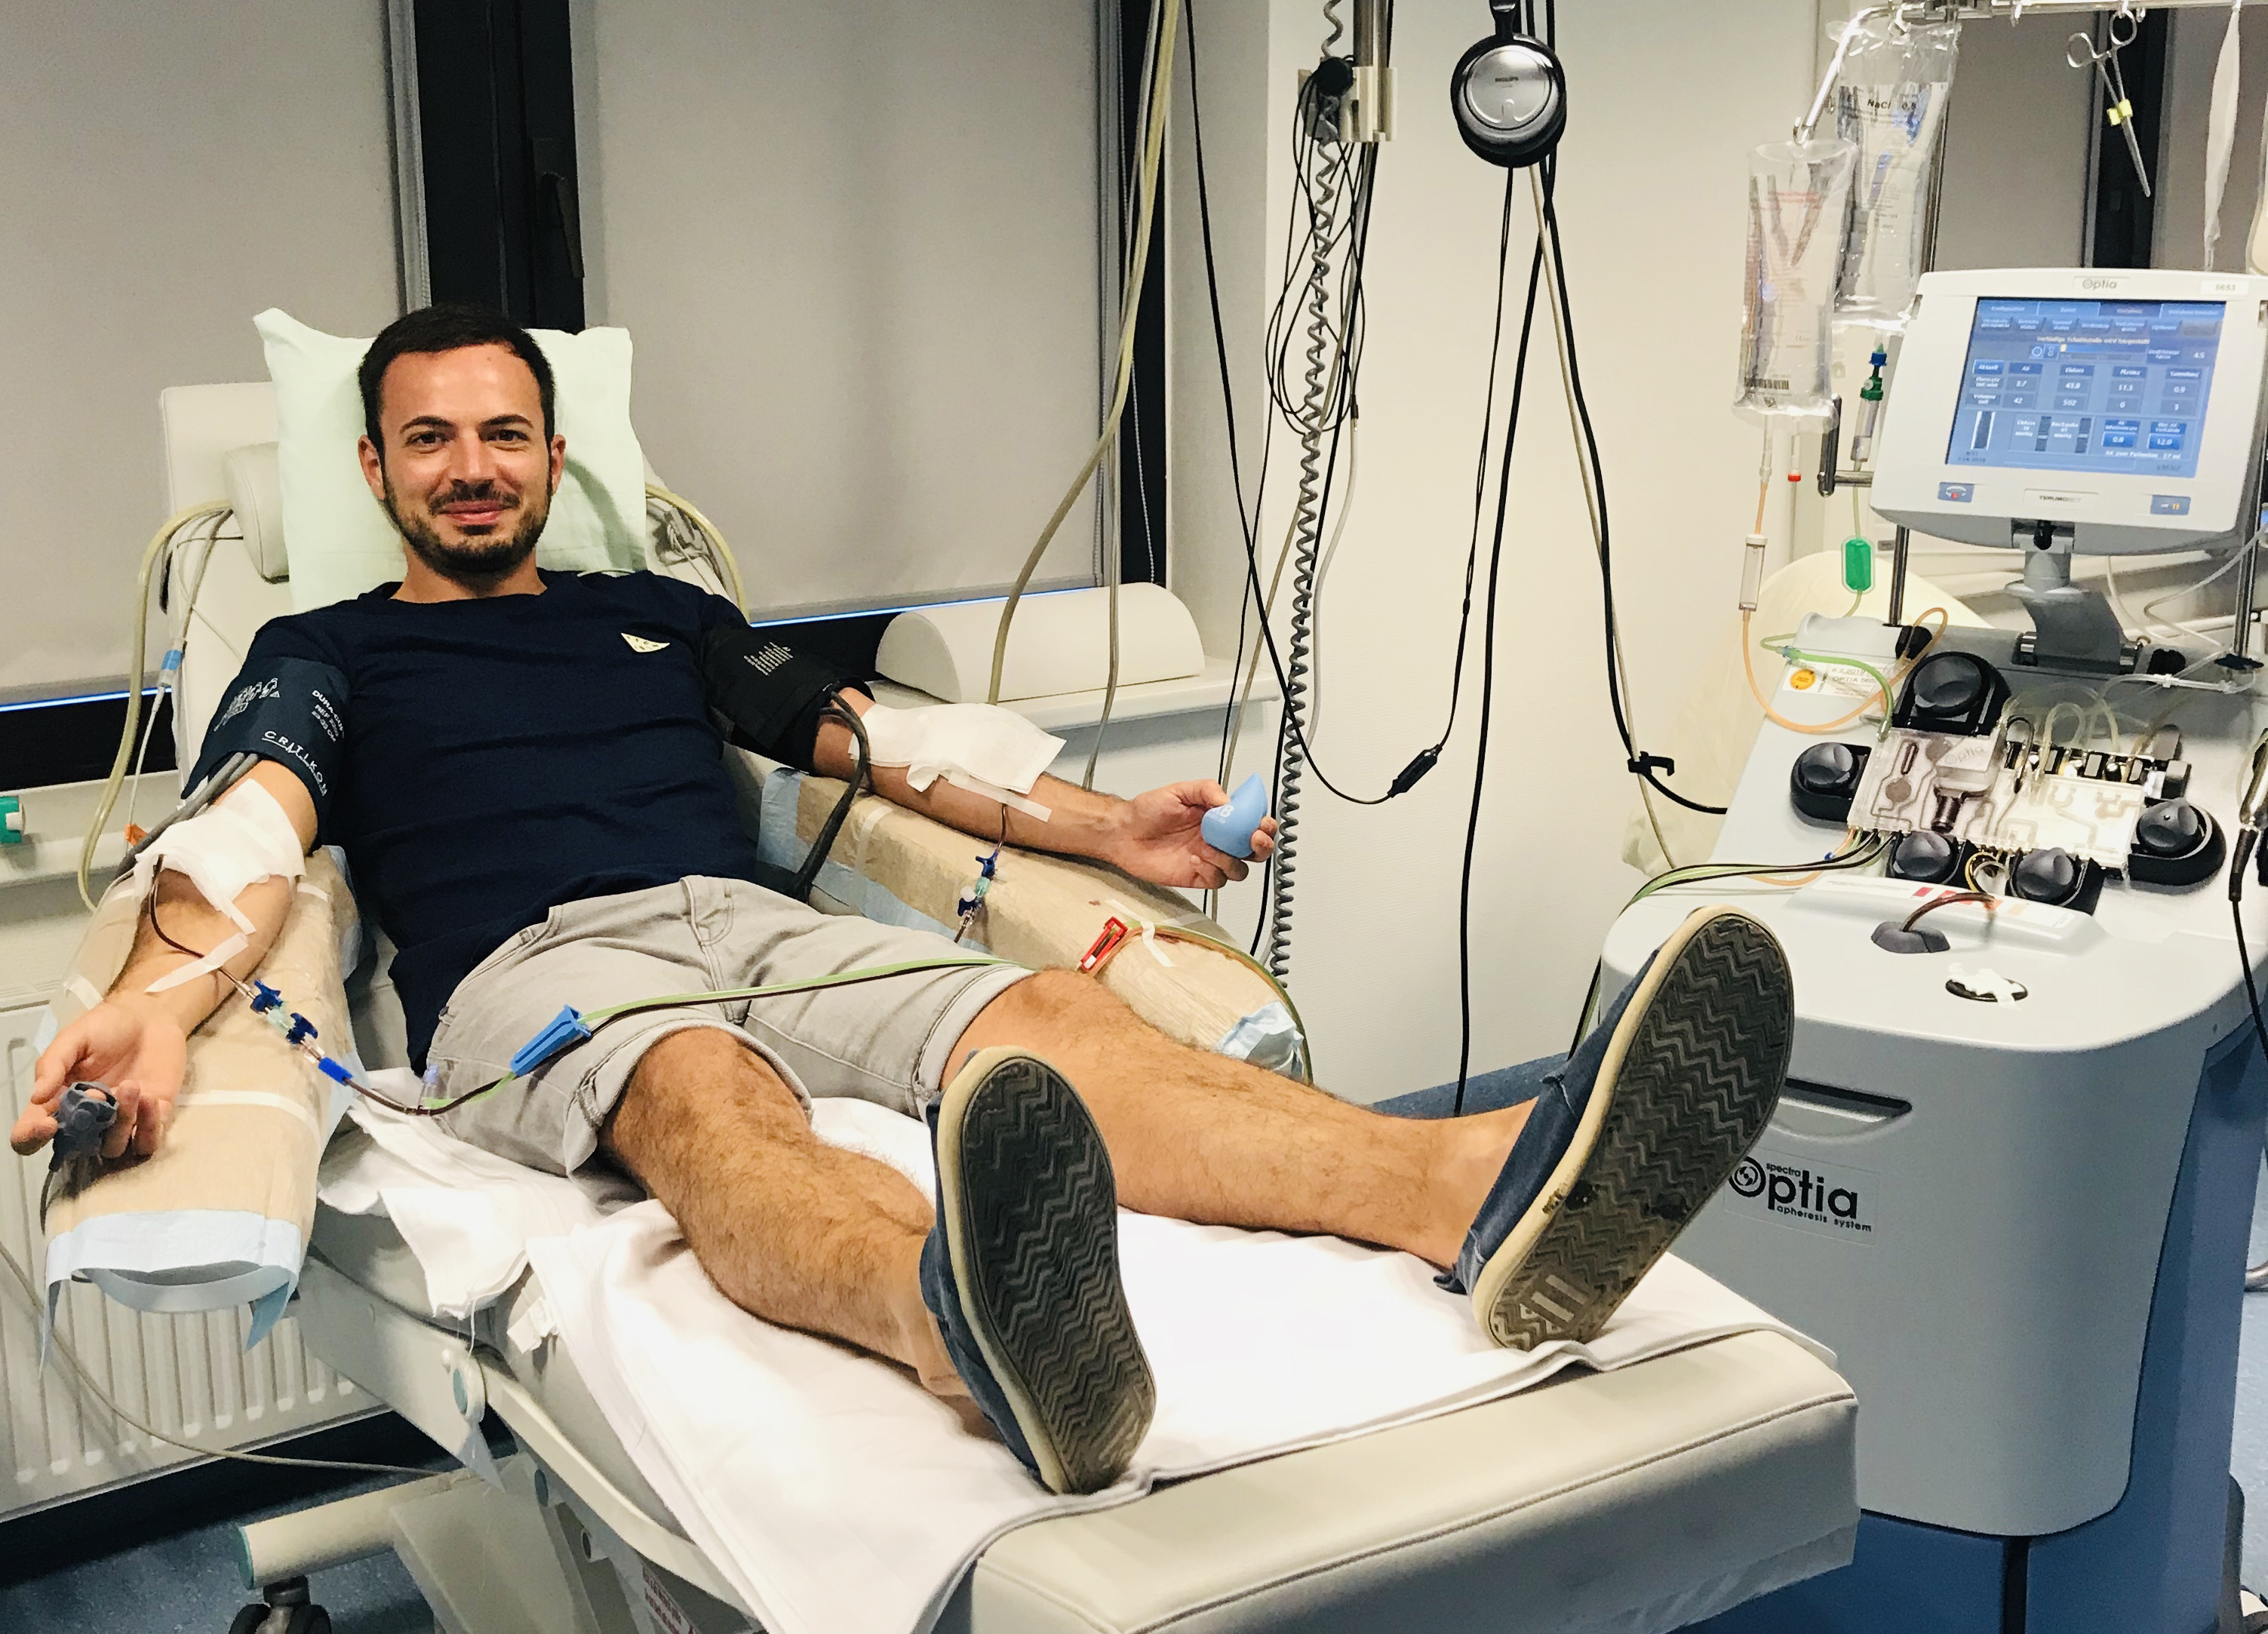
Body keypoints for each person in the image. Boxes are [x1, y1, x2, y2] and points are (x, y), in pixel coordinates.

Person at [12, 305, 1794, 1497]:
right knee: (705, 1094)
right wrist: (156, 1011)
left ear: (554, 457)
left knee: (1054, 1020)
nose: (471, 466)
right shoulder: (325, 647)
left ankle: (1468, 1189)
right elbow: (252, 827)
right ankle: (971, 1326)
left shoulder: (663, 616)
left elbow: (878, 743)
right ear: (373, 470)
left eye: (503, 434)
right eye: (430, 440)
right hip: (542, 971)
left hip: (754, 925)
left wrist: (1110, 828)